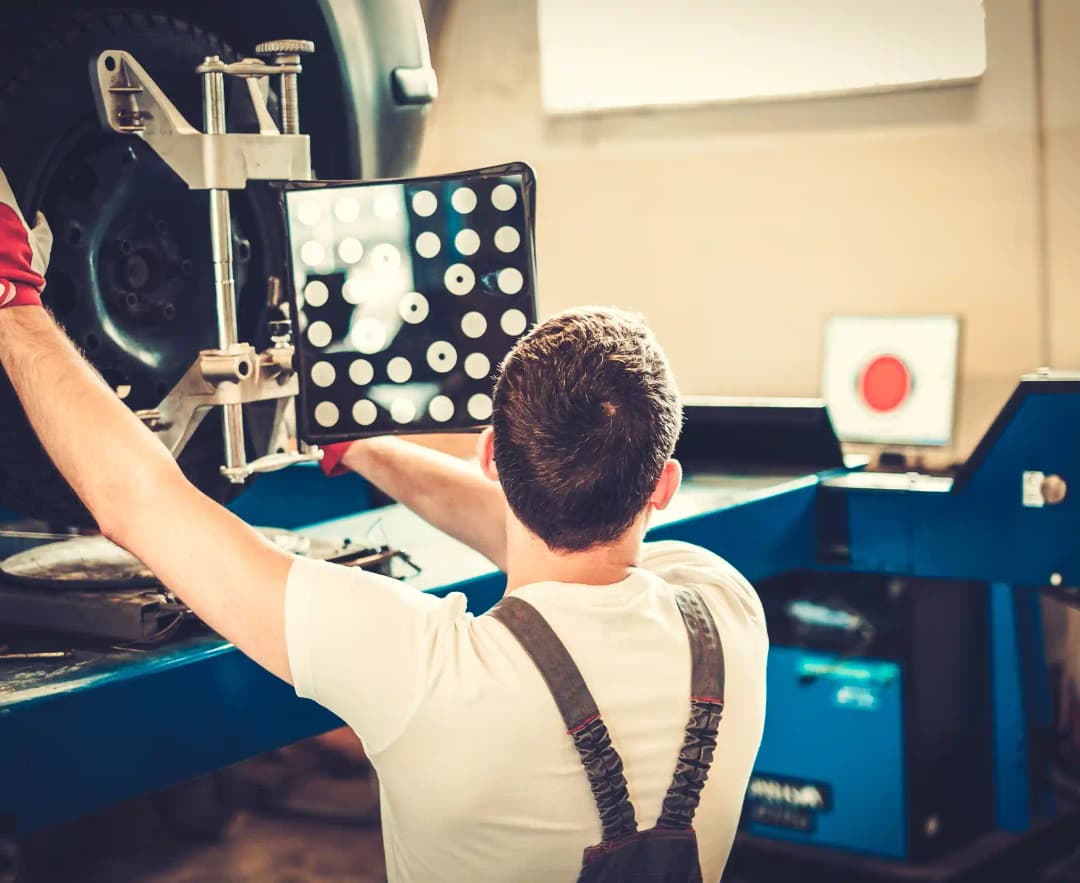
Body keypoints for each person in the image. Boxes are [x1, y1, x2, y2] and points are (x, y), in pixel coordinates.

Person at [0, 168, 767, 881]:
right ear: (662, 486)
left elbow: (140, 503)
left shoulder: (428, 673)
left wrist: (16, 303)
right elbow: (555, 540)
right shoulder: (724, 610)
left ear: (492, 455)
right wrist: (366, 448)